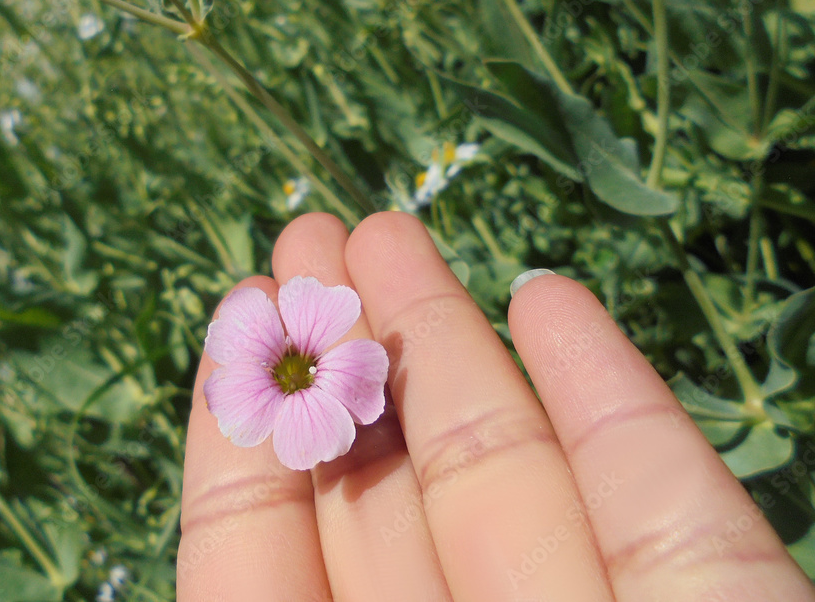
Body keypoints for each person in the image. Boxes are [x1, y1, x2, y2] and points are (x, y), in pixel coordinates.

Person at [177, 212, 815, 601]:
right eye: (290, 372)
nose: (295, 371)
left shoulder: (319, 349)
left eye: (297, 366)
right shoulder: (270, 378)